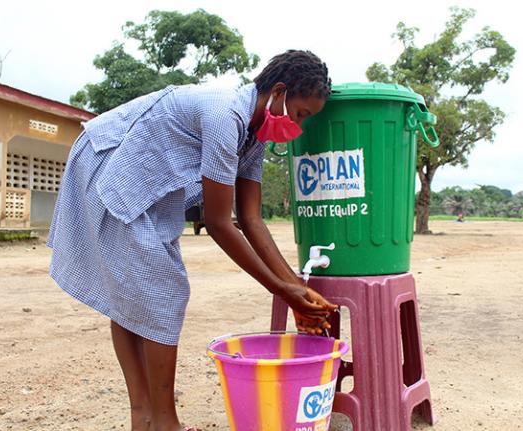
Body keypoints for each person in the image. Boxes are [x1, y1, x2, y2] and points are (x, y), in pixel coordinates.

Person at [47, 50, 337, 431]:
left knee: (139, 298)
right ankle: (162, 422)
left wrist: (295, 288)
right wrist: (284, 291)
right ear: (279, 92)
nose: (298, 126)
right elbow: (219, 223)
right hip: (109, 162)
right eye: (300, 114)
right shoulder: (225, 117)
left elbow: (251, 220)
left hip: (149, 187)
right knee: (163, 292)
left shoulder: (255, 135)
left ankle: (146, 420)